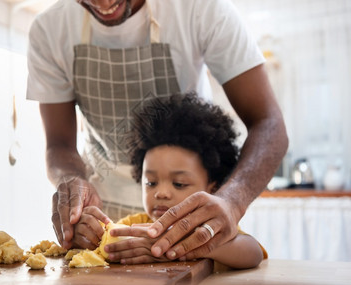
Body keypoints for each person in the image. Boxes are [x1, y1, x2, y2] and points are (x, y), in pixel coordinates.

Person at [27, 0, 288, 261]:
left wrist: (231, 202)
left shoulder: (200, 8)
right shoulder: (50, 29)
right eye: (151, 182)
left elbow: (268, 123)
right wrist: (71, 187)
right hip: (101, 214)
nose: (103, 2)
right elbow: (59, 144)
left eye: (178, 182)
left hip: (198, 214)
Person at [75, 92, 267, 268]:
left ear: (212, 188)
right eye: (151, 182)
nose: (161, 193)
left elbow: (253, 253)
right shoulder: (137, 224)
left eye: (179, 184)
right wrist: (89, 233)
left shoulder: (212, 226)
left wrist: (194, 245)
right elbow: (107, 244)